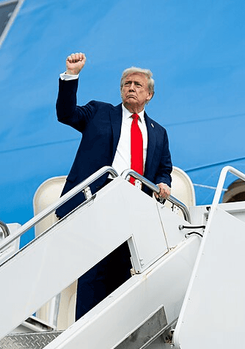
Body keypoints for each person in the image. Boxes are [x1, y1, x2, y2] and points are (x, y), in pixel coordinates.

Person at [55, 52, 173, 320]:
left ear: (149, 95)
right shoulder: (99, 112)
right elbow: (66, 114)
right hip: (97, 202)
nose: (131, 88)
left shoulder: (158, 132)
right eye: (126, 84)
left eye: (137, 85)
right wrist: (71, 75)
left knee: (123, 275)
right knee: (93, 273)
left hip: (133, 208)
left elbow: (164, 169)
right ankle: (84, 332)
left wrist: (164, 183)